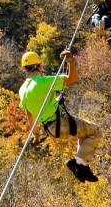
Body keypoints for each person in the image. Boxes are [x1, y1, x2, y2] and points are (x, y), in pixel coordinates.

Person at [18, 50, 102, 183]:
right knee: (96, 131)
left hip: (50, 129)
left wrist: (36, 135)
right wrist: (70, 61)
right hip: (61, 123)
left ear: (24, 68)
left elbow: (30, 115)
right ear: (39, 66)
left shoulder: (22, 90)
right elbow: (73, 78)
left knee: (84, 134)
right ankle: (78, 162)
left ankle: (83, 166)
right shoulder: (44, 82)